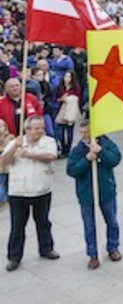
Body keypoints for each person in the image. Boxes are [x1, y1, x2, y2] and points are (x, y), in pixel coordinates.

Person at [1, 115, 59, 271]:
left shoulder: (49, 141)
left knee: (43, 222)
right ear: (27, 129)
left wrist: (29, 155)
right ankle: (14, 257)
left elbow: (50, 156)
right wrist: (14, 148)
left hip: (42, 190)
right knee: (17, 226)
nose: (40, 131)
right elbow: (3, 162)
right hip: (18, 193)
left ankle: (46, 248)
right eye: (37, 128)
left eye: (42, 128)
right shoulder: (15, 143)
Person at [66, 119, 122, 270]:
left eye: (87, 132)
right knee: (90, 226)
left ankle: (113, 247)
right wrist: (86, 160)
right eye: (82, 132)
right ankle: (93, 254)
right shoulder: (78, 150)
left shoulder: (106, 143)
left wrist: (101, 152)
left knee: (112, 221)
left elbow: (115, 159)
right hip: (86, 193)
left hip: (106, 190)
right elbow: (71, 170)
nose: (84, 135)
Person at [54, 70, 82, 157]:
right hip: (61, 110)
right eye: (66, 76)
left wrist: (69, 98)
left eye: (69, 77)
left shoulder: (75, 88)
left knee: (69, 131)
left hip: (71, 111)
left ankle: (67, 150)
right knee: (60, 132)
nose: (67, 79)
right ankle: (62, 148)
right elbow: (56, 99)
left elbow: (78, 98)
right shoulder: (60, 87)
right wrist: (62, 99)